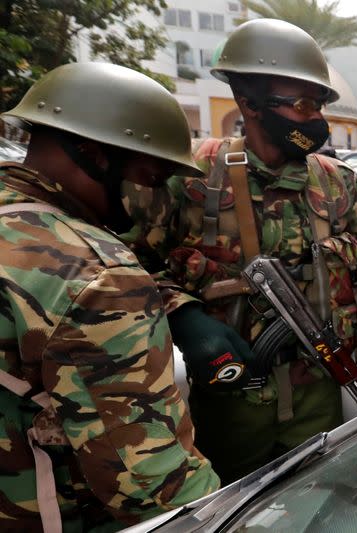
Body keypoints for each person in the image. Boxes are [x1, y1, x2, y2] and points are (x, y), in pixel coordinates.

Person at [122, 19, 357, 485]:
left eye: (318, 104)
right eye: (300, 105)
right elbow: (128, 268)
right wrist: (184, 316)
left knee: (318, 499)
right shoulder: (190, 175)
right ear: (248, 102)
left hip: (318, 391)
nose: (315, 119)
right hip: (233, 401)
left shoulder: (337, 182)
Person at [0, 62, 219, 532]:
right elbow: (152, 487)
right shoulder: (98, 274)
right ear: (96, 156)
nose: (153, 201)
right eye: (152, 177)